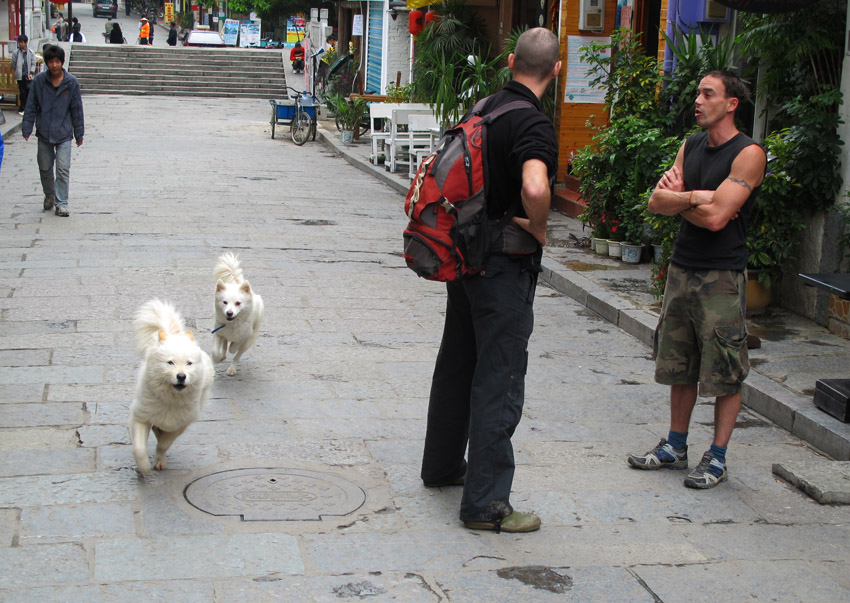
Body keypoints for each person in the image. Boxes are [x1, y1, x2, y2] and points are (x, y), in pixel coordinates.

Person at [419, 27, 561, 533]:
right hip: (505, 269)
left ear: (509, 61)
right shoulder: (533, 124)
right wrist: (540, 224)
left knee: (457, 362)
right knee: (499, 378)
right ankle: (486, 504)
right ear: (556, 71)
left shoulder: (483, 107)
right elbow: (534, 184)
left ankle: (440, 466)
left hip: (466, 258)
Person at [627, 71, 767, 489]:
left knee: (726, 367)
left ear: (731, 104)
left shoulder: (749, 154)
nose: (698, 101)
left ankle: (718, 456)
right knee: (679, 363)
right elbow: (655, 201)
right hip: (682, 266)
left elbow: (719, 217)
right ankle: (675, 445)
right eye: (698, 94)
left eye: (709, 94)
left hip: (722, 273)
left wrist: (682, 199)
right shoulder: (690, 146)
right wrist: (695, 196)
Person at [21, 44, 85, 218]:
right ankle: (49, 194)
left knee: (63, 168)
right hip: (44, 131)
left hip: (64, 132)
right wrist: (27, 127)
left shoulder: (71, 82)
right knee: (45, 168)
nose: (54, 65)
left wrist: (79, 133)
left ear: (62, 62)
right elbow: (31, 106)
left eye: (57, 62)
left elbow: (76, 109)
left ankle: (61, 203)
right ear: (47, 63)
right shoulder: (39, 81)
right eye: (51, 62)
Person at [10, 35, 37, 116]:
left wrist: (31, 73)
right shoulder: (16, 53)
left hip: (28, 75)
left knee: (29, 92)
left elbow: (33, 63)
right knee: (22, 92)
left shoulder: (31, 52)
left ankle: (28, 108)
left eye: (22, 42)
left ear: (26, 42)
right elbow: (13, 63)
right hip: (20, 76)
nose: (20, 44)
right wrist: (17, 70)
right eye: (19, 42)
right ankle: (22, 107)